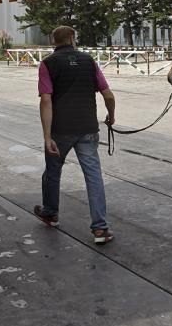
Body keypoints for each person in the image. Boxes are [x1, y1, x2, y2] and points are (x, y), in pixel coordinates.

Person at [34, 26, 118, 244]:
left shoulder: (47, 64)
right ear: (72, 39)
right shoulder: (89, 61)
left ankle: (51, 213)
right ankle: (100, 229)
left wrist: (46, 137)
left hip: (60, 129)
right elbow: (108, 95)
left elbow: (45, 100)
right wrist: (111, 116)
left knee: (52, 172)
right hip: (88, 127)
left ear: (55, 41)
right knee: (93, 177)